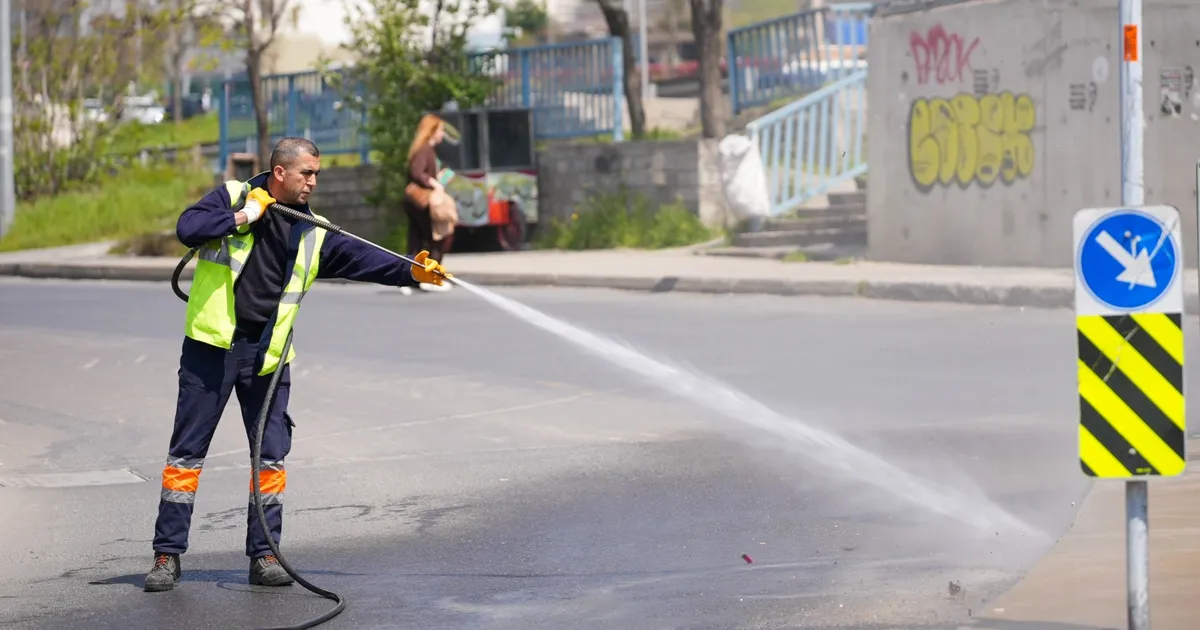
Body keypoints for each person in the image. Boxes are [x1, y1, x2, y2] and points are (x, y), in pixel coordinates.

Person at [143, 137, 449, 593]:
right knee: (186, 455)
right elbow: (188, 228)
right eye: (307, 173)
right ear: (280, 172)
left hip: (267, 356)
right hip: (212, 349)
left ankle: (265, 555)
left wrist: (411, 270)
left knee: (270, 459)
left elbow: (360, 257)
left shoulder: (312, 229)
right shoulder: (233, 196)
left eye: (316, 174)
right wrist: (247, 215)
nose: (313, 182)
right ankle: (167, 555)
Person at [403, 114, 455, 293]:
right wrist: (434, 183)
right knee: (436, 238)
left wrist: (439, 177)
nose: (442, 134)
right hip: (422, 203)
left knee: (416, 241)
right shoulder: (425, 149)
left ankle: (410, 280)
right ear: (432, 131)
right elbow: (417, 172)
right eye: (440, 130)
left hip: (414, 203)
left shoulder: (424, 149)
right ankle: (429, 279)